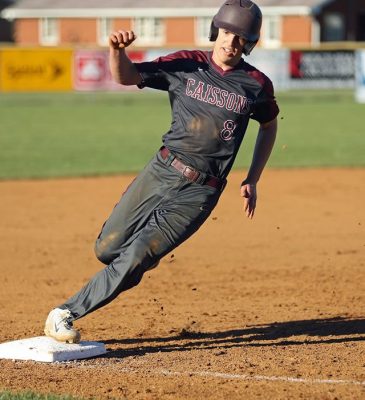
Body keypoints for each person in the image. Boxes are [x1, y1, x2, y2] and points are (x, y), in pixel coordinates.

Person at [44, 0, 279, 343]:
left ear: (250, 43)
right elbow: (128, 76)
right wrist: (116, 51)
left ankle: (65, 312)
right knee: (108, 250)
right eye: (227, 32)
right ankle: (134, 264)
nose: (231, 42)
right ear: (217, 30)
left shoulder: (256, 85)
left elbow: (269, 126)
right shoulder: (186, 64)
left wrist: (253, 177)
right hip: (162, 171)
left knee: (137, 255)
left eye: (241, 37)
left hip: (201, 192)